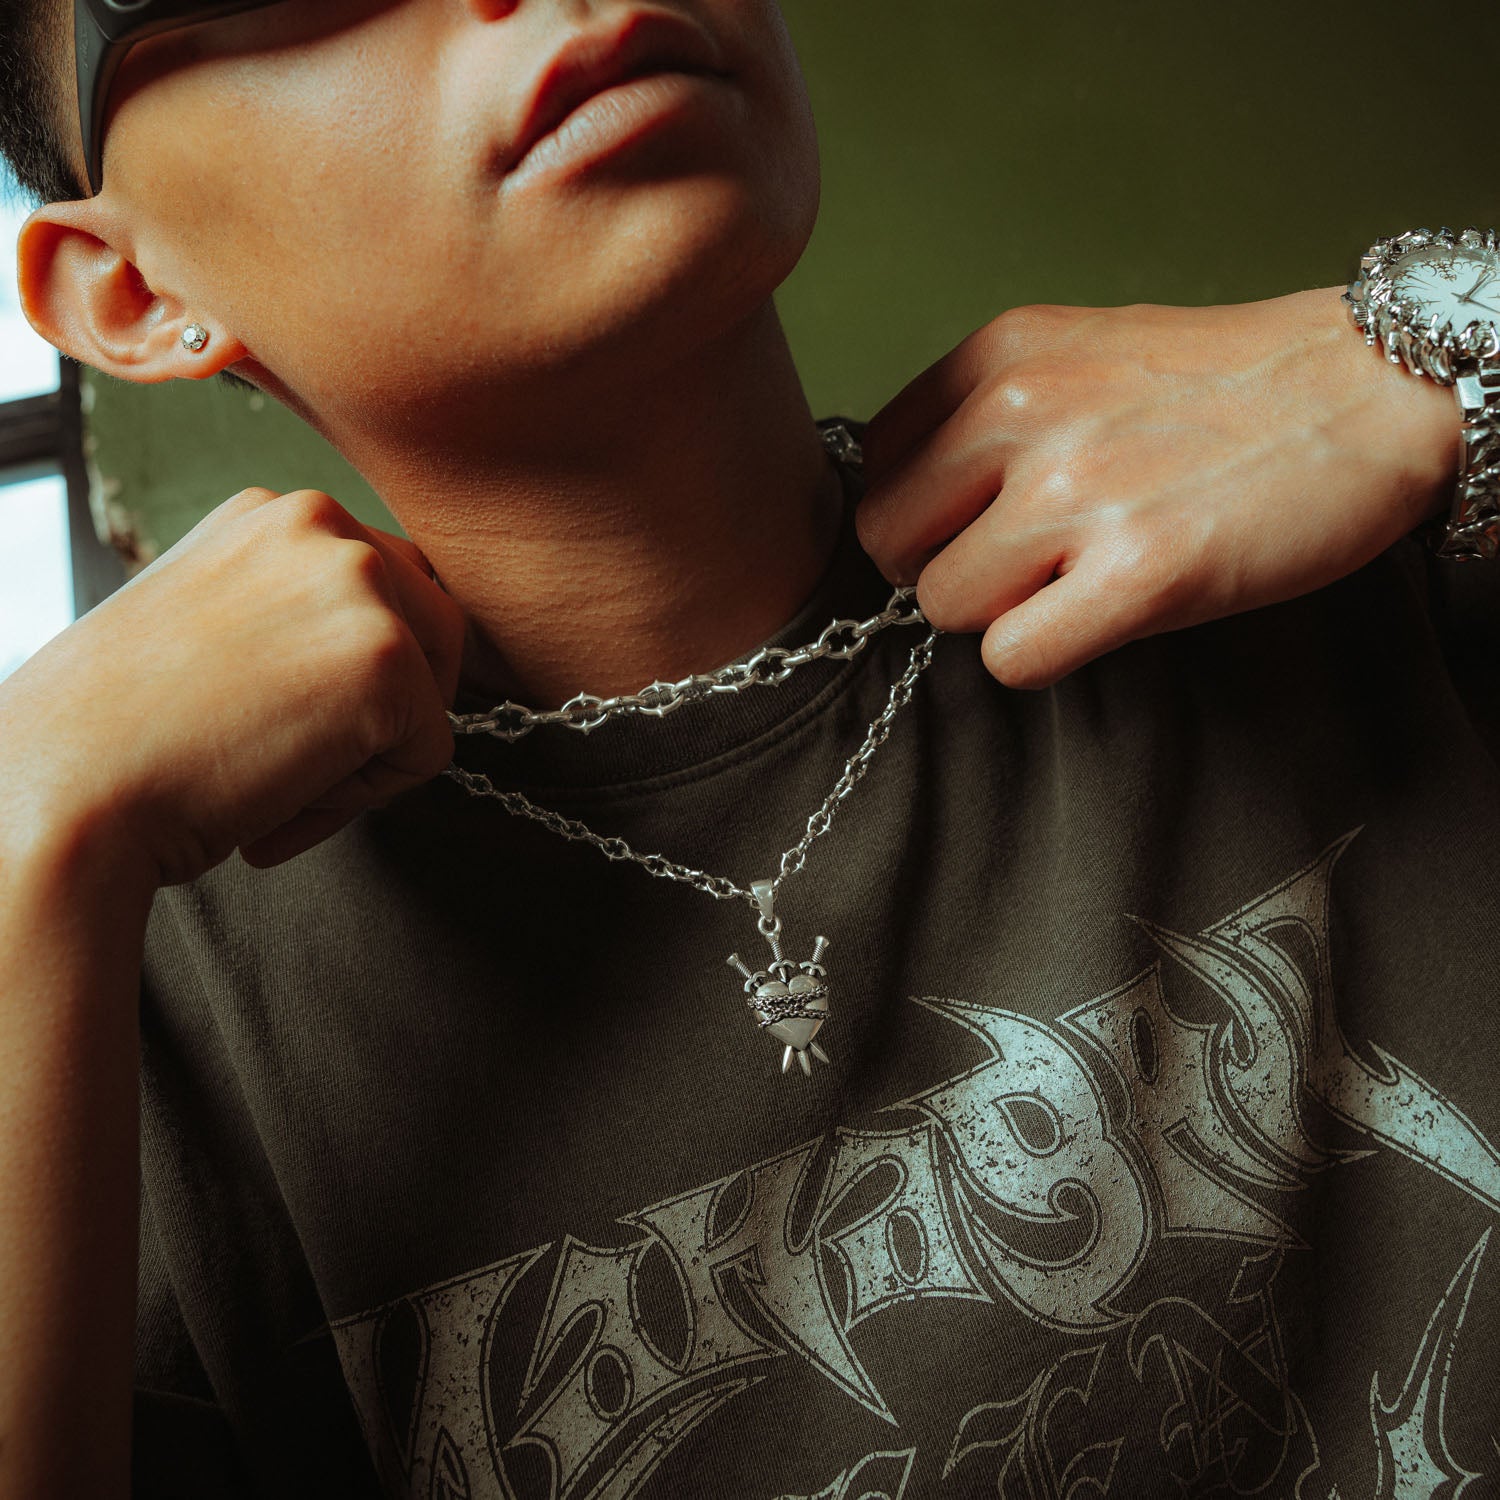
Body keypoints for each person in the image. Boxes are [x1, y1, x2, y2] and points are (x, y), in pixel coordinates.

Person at [2, 1, 1498, 1497]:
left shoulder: (1363, 493)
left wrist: (1464, 347)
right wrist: (25, 825)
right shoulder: (89, 1019)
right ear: (130, 291)